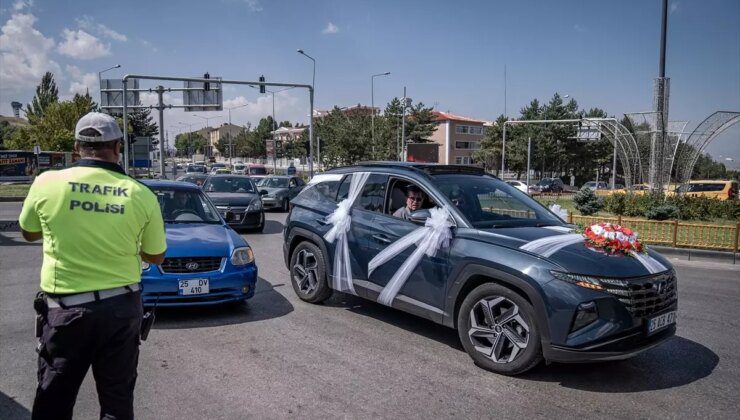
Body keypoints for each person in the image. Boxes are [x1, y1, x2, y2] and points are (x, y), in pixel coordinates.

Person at [18, 112, 167, 420]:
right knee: (116, 401)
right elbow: (155, 255)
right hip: (121, 310)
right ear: (118, 148)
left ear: (77, 147)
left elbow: (29, 232)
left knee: (53, 402)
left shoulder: (47, 183)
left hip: (65, 310)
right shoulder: (141, 194)